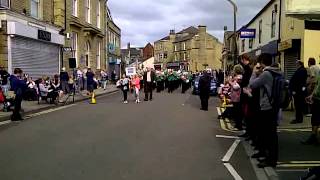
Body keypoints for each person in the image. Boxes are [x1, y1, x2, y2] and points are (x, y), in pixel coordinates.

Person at [249, 53, 281, 168]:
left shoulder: (266, 74)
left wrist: (254, 72)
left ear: (261, 62)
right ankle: (264, 153)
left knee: (270, 135)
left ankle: (271, 160)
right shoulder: (275, 71)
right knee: (266, 133)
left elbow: (252, 84)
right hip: (272, 107)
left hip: (267, 108)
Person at [303, 61, 320, 145]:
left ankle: (314, 137)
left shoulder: (312, 68)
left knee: (316, 117)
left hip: (318, 98)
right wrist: (312, 95)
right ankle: (314, 136)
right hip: (316, 97)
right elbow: (318, 84)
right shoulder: (319, 70)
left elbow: (313, 78)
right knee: (315, 117)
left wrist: (309, 86)